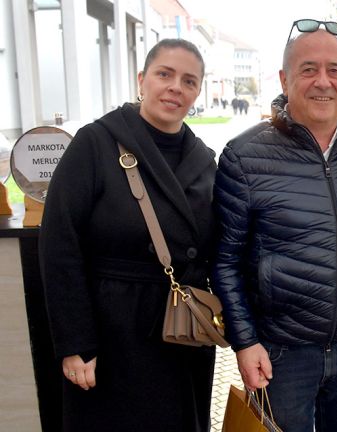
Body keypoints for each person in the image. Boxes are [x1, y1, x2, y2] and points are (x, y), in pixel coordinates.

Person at [213, 19, 337, 432]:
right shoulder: (244, 156)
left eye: (335, 70)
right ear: (284, 78)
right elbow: (224, 261)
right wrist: (245, 341)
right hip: (281, 355)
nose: (323, 82)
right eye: (309, 69)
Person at [39, 39, 217, 432]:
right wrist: (75, 342)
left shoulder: (204, 159)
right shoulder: (95, 143)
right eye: (165, 74)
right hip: (112, 336)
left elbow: (217, 249)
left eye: (189, 81)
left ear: (197, 93)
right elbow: (60, 246)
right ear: (142, 79)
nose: (175, 87)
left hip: (182, 334)